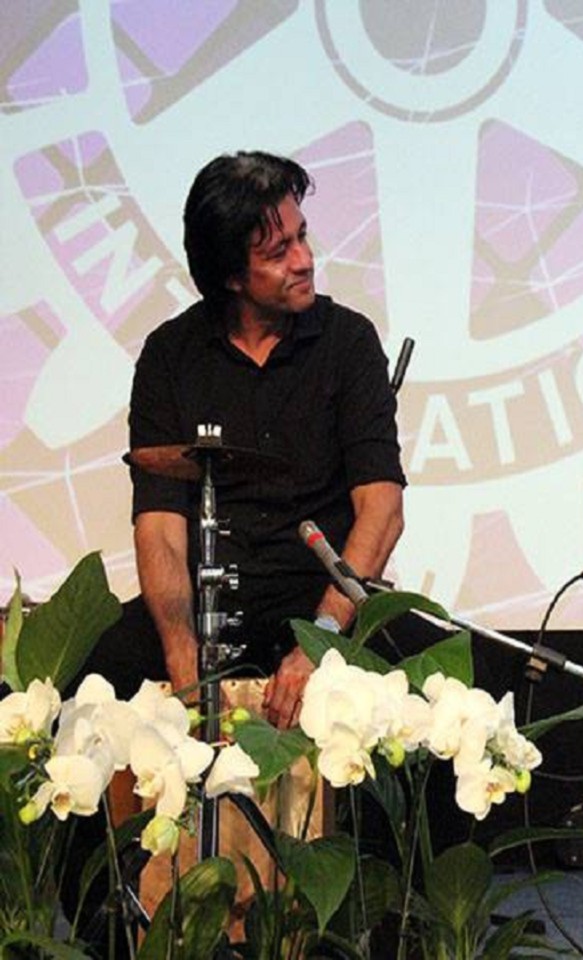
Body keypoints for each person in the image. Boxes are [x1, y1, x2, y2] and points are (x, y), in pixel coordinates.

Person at [88, 150, 406, 726]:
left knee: (423, 685)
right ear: (231, 276)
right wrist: (183, 659)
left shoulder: (349, 342)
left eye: (302, 237)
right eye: (279, 253)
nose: (305, 260)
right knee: (86, 679)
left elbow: (382, 510)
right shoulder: (169, 356)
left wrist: (320, 642)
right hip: (207, 605)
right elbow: (159, 527)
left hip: (321, 602)